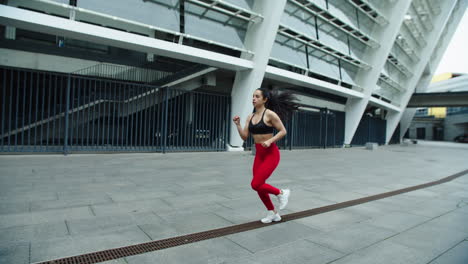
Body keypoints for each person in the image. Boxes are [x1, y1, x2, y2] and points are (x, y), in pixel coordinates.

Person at [233, 88, 298, 223]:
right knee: (258, 185)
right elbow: (245, 137)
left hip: (271, 154)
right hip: (259, 154)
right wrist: (238, 125)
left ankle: (281, 193)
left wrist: (270, 141)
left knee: (256, 183)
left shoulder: (270, 114)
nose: (253, 99)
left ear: (264, 99)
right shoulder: (250, 117)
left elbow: (283, 131)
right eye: (253, 96)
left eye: (257, 96)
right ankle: (273, 212)